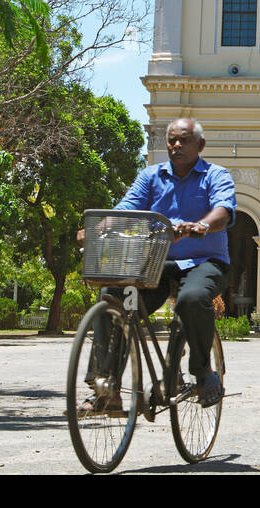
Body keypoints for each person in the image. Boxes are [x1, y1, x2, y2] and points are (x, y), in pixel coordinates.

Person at [80, 117, 235, 415]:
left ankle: (204, 375)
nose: (177, 145)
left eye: (184, 140)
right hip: (158, 264)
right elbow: (125, 209)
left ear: (200, 144)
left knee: (191, 299)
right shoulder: (151, 177)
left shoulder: (215, 175)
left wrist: (201, 225)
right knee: (113, 297)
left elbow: (223, 210)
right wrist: (97, 227)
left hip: (206, 261)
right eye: (172, 140)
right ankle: (106, 387)